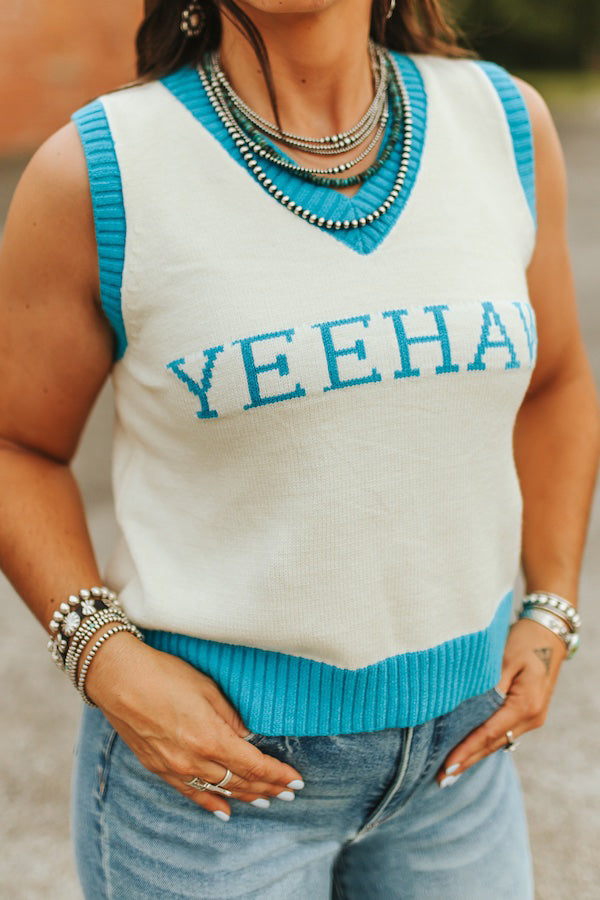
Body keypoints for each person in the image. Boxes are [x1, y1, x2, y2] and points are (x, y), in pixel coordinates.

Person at [0, 0, 598, 896]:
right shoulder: (100, 170)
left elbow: (556, 382)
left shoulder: (504, 124)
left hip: (459, 773)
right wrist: (104, 657)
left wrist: (551, 612)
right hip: (210, 787)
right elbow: (15, 445)